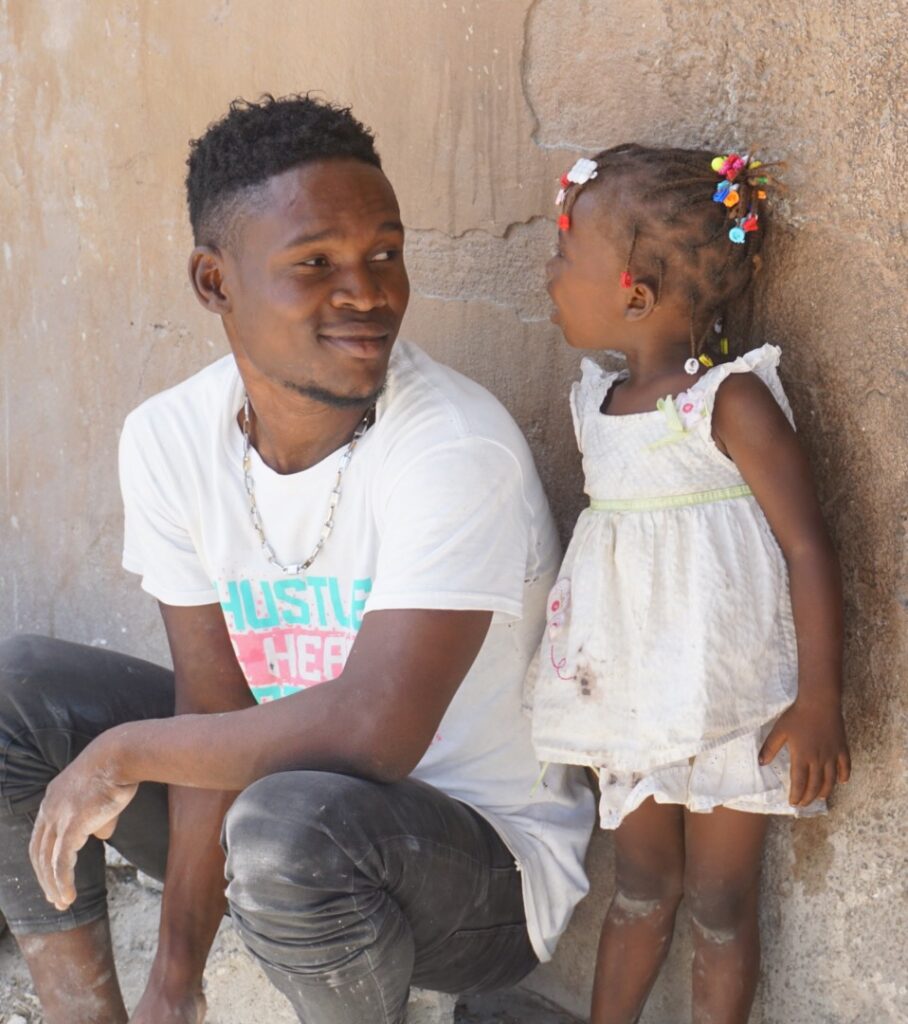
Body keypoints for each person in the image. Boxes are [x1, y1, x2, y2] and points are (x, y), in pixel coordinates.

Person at [0, 94, 595, 1024]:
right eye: (315, 263)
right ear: (214, 282)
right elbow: (214, 706)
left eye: (385, 255)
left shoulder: (452, 446)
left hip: (481, 869)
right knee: (14, 695)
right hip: (280, 812)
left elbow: (375, 734)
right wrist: (176, 979)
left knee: (289, 829)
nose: (367, 292)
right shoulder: (168, 438)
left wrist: (123, 751)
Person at [528, 146, 851, 1024]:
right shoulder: (594, 403)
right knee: (639, 886)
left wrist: (819, 698)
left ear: (633, 293)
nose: (550, 274)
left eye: (566, 258)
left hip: (729, 697)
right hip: (630, 696)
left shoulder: (729, 405)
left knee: (719, 900)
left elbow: (808, 547)